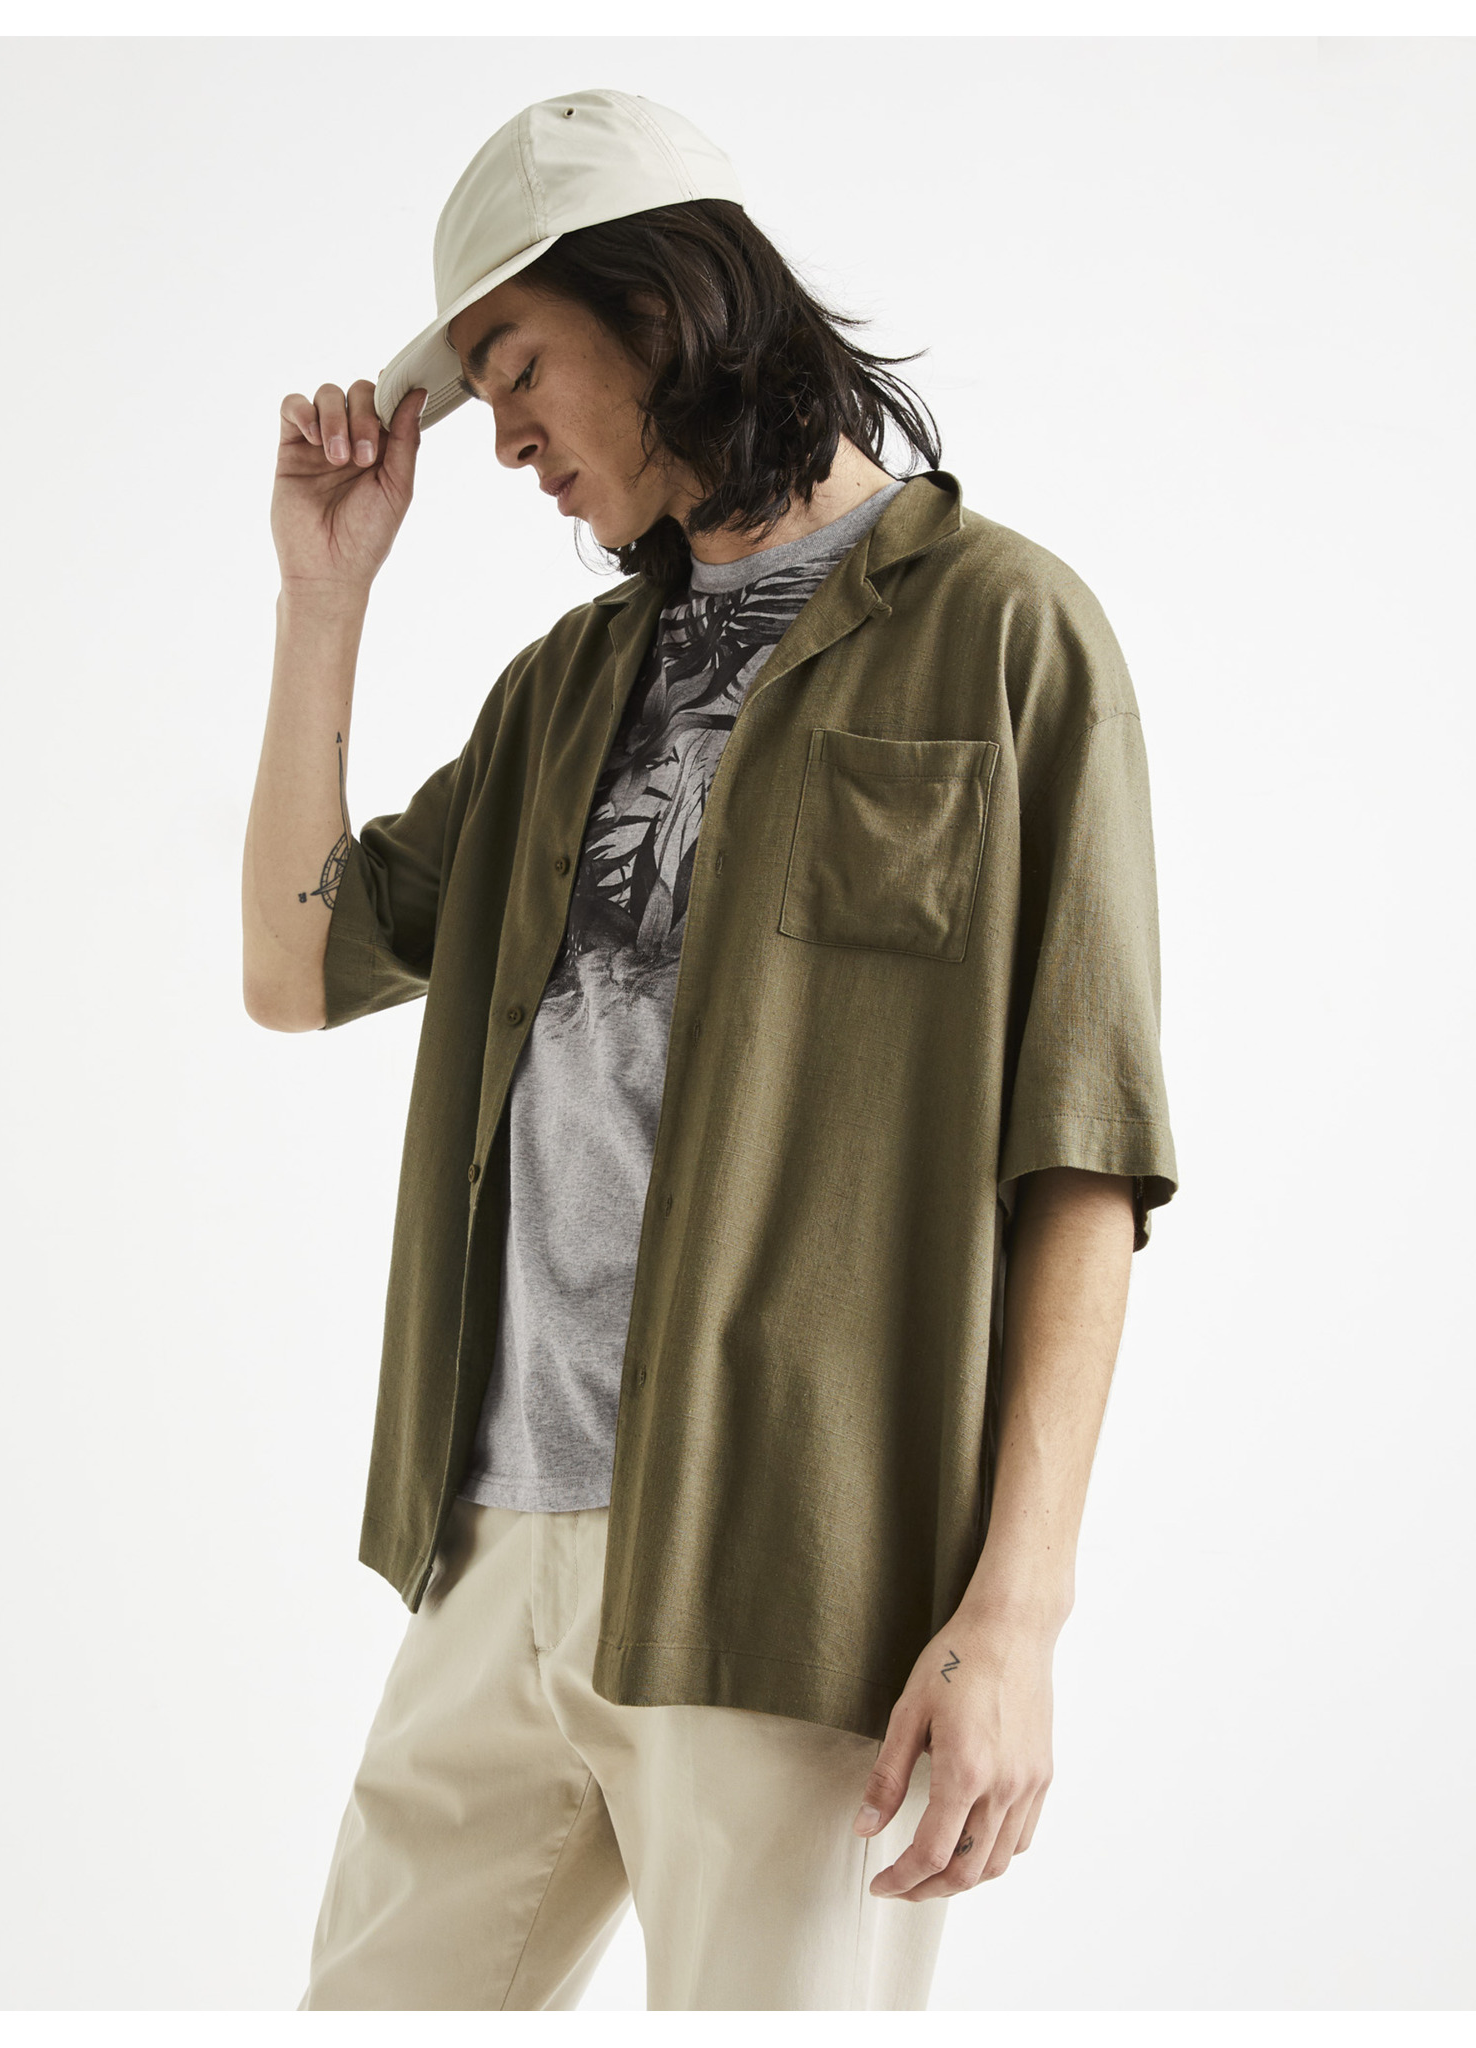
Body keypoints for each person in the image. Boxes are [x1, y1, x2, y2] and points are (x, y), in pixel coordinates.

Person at [243, 89, 1178, 2013]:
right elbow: (295, 965)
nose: (501, 436)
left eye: (517, 365)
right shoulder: (568, 686)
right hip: (493, 1547)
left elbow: (1082, 1153)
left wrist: (1017, 1618)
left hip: (791, 1575)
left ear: (661, 307)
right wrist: (322, 599)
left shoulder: (1006, 635)